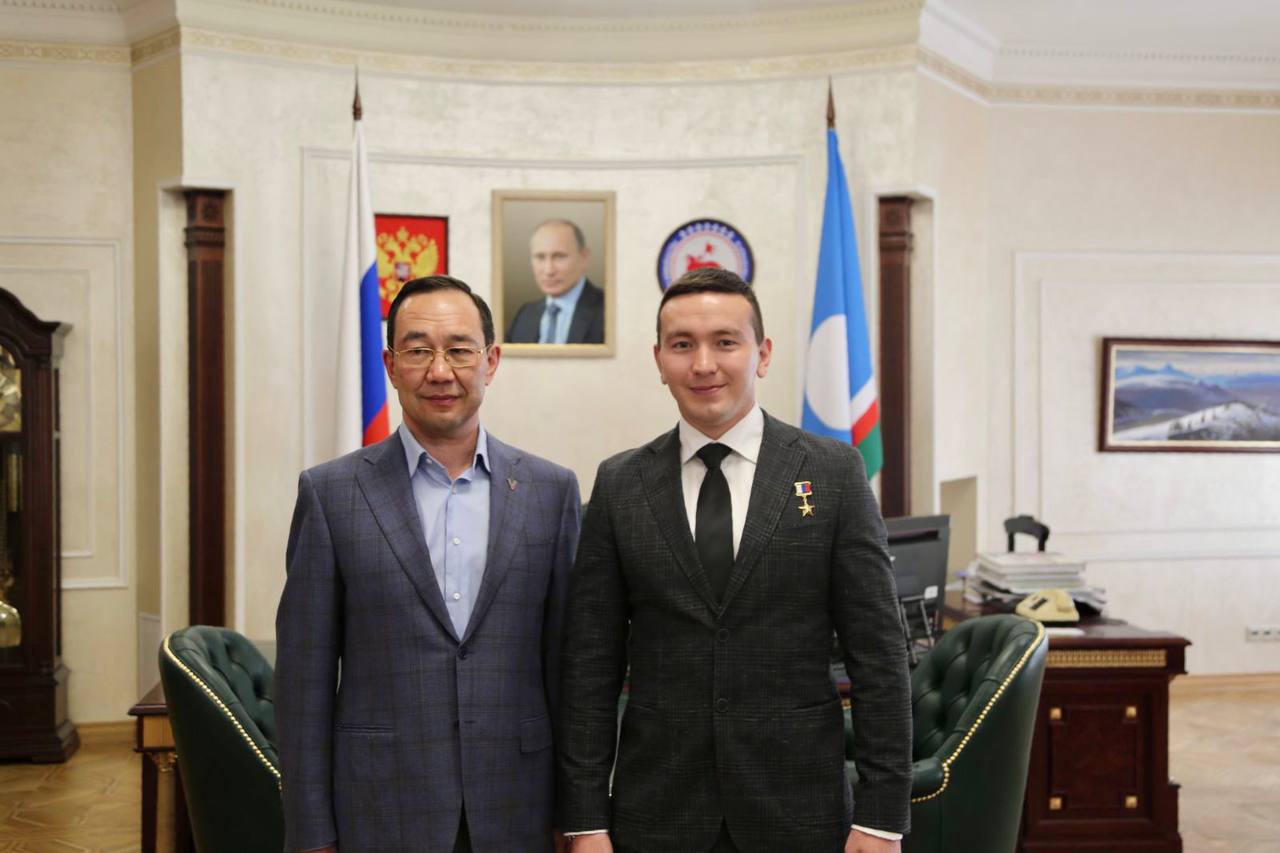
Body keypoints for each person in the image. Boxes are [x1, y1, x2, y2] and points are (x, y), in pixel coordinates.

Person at [556, 268, 911, 852]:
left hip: (800, 814)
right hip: (657, 817)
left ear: (762, 354)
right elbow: (590, 667)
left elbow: (880, 656)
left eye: (725, 342)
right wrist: (586, 820)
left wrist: (881, 819)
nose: (704, 364)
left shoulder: (833, 473)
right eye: (682, 345)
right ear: (659, 360)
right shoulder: (621, 485)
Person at [276, 275, 581, 853]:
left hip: (519, 805)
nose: (440, 372)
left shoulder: (551, 491)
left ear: (491, 361)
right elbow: (303, 681)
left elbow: (566, 670)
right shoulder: (331, 494)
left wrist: (578, 813)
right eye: (418, 352)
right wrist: (310, 833)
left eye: (460, 350)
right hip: (380, 806)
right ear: (391, 366)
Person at [506, 219, 605, 344]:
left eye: (559, 256)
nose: (549, 270)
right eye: (540, 257)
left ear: (584, 257)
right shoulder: (525, 315)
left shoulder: (609, 311)